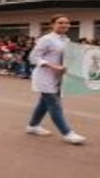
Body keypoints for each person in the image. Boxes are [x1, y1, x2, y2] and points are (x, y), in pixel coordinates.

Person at [26, 14, 86, 145]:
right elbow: (33, 57)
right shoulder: (46, 39)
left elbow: (69, 58)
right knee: (54, 104)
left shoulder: (67, 40)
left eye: (67, 23)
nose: (65, 25)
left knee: (43, 104)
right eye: (60, 23)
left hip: (58, 77)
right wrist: (51, 65)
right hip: (45, 76)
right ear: (52, 24)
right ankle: (68, 133)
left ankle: (33, 126)